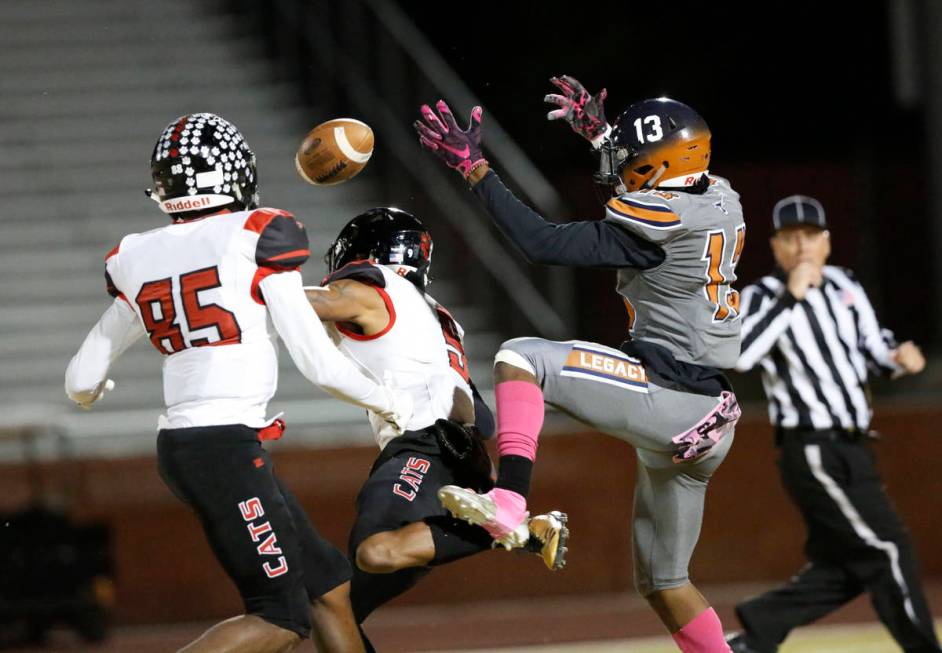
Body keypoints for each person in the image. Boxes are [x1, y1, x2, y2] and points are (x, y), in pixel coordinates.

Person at [414, 75, 745, 652]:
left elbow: (543, 243)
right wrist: (599, 139)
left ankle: (511, 501)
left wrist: (476, 171)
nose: (620, 162)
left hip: (670, 397)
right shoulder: (718, 194)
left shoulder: (660, 224)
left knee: (521, 357)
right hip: (711, 418)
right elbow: (637, 212)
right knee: (665, 583)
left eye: (632, 156)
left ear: (657, 167)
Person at [64, 113, 412, 653]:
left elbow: (81, 378)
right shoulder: (255, 234)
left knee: (328, 584)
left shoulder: (137, 255)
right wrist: (391, 403)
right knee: (280, 618)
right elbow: (317, 362)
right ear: (238, 176)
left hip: (191, 445)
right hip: (222, 446)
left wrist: (90, 395)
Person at [303, 207, 569, 648]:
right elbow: (480, 417)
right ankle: (502, 524)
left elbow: (316, 303)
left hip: (424, 449)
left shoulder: (376, 285)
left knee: (376, 550)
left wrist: (253, 288)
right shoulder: (434, 314)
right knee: (334, 606)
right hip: (458, 458)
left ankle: (517, 532)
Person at [724, 195, 938, 653]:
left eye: (810, 236)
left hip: (855, 446)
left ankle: (758, 631)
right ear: (776, 246)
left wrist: (900, 358)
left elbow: (872, 349)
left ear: (826, 242)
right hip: (812, 448)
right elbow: (740, 355)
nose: (801, 246)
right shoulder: (762, 295)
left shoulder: (845, 285)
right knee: (887, 550)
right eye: (790, 237)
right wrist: (791, 296)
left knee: (848, 565)